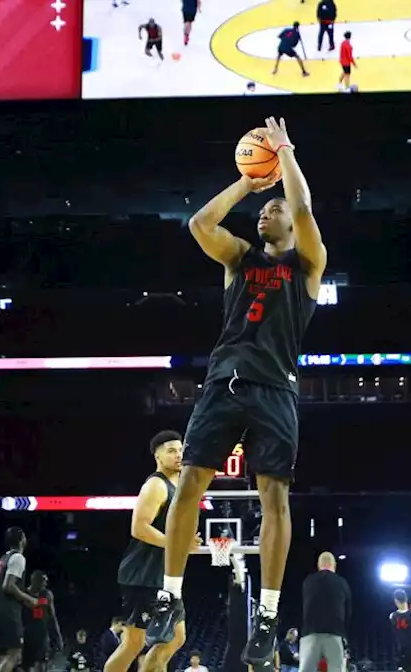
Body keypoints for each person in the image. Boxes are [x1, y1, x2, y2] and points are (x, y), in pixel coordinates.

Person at [146, 116, 328, 668]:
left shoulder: (307, 264)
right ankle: (169, 597)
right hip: (222, 384)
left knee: (275, 496)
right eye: (263, 210)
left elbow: (301, 209)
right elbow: (201, 221)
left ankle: (269, 612)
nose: (266, 213)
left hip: (275, 389)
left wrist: (286, 153)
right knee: (189, 487)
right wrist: (247, 184)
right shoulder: (239, 260)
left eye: (272, 209)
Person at [112, 432, 196, 672]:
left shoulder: (178, 485)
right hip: (142, 575)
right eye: (171, 450)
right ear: (157, 455)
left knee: (176, 638)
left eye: (180, 450)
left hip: (164, 578)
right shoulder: (156, 485)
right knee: (133, 644)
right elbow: (139, 528)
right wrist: (177, 544)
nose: (178, 455)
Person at [0, 527, 38, 672]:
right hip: (7, 614)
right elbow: (8, 586)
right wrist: (29, 599)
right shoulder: (18, 558)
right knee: (14, 655)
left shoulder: (2, 559)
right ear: (22, 540)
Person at [300, 553, 351, 672]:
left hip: (310, 632)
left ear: (318, 565)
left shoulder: (308, 581)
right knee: (336, 669)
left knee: (306, 670)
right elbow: (348, 611)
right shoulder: (342, 582)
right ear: (334, 565)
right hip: (335, 632)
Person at [21, 571, 61, 672]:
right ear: (35, 581)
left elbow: (53, 617)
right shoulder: (23, 594)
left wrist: (58, 636)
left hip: (42, 635)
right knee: (26, 667)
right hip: (26, 634)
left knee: (42, 666)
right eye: (43, 581)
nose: (45, 584)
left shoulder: (47, 594)